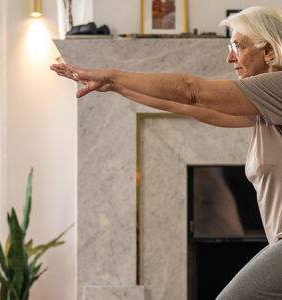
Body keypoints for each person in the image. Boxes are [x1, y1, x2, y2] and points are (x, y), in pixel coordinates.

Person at [51, 6, 282, 299]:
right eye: (229, 46)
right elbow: (191, 107)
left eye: (239, 46)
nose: (229, 57)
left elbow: (190, 89)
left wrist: (113, 74)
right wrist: (113, 86)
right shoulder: (265, 108)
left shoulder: (278, 88)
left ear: (269, 51)